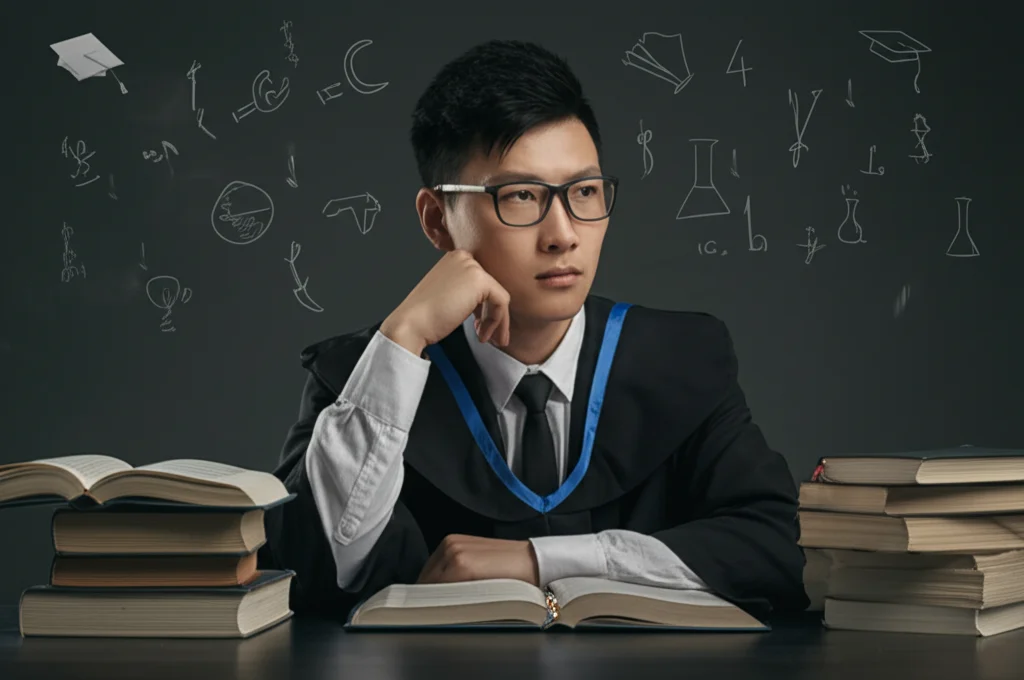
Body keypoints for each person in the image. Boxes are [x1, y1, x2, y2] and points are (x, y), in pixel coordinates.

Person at [258, 39, 809, 621]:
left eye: (585, 192)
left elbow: (778, 549)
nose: (563, 235)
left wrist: (536, 560)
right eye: (521, 196)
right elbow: (310, 571)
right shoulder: (358, 380)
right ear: (437, 220)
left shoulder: (684, 360)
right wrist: (405, 335)